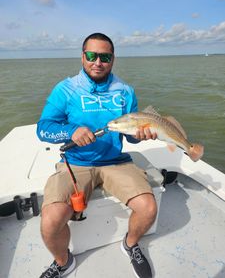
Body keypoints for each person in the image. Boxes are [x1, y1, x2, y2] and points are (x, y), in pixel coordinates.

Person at [37, 32, 157, 278]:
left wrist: (141, 135)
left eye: (105, 57)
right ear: (83, 57)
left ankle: (131, 244)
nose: (98, 62)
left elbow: (131, 135)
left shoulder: (125, 91)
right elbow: (43, 128)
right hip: (77, 162)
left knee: (148, 207)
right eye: (92, 55)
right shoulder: (66, 89)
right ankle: (63, 262)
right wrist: (72, 131)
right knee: (50, 220)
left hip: (116, 161)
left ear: (113, 59)